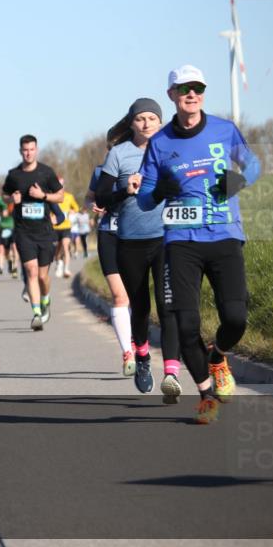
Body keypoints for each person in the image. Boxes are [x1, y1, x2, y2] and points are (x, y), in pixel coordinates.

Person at [137, 65, 260, 424]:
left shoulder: (224, 130)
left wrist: (233, 182)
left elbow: (252, 165)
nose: (192, 94)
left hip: (224, 235)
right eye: (184, 88)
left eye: (198, 88)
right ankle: (206, 395)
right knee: (186, 324)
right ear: (172, 95)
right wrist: (159, 190)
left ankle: (218, 355)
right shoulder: (159, 143)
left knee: (236, 318)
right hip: (181, 241)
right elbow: (145, 199)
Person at [97, 98, 182, 400]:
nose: (146, 123)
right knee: (141, 308)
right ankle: (143, 356)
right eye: (140, 119)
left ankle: (171, 373)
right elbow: (102, 198)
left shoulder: (171, 150)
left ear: (160, 122)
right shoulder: (119, 155)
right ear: (131, 123)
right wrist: (125, 190)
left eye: (152, 118)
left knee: (168, 305)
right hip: (130, 242)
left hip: (166, 239)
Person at [3, 135, 64, 331]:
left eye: (31, 149)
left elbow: (60, 196)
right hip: (23, 231)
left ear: (36, 150)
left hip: (45, 231)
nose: (28, 153)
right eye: (25, 150)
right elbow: (4, 197)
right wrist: (12, 199)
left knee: (42, 277)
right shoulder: (14, 175)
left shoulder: (46, 173)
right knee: (31, 271)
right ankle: (36, 313)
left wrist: (43, 195)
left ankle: (46, 299)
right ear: (20, 151)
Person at [86, 155, 133, 377]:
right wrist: (92, 205)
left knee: (135, 296)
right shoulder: (99, 172)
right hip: (108, 234)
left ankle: (139, 342)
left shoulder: (143, 166)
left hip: (136, 236)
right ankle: (127, 352)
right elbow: (90, 198)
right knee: (119, 296)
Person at [52, 178, 81, 278]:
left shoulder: (69, 197)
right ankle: (59, 263)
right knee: (57, 249)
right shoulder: (52, 197)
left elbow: (76, 207)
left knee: (65, 246)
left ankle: (66, 269)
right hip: (55, 228)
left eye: (61, 185)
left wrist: (73, 211)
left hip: (66, 226)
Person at [0, 195, 17, 278]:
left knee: (13, 248)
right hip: (1, 227)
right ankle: (1, 267)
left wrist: (10, 212)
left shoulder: (14, 199)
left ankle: (14, 267)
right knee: (1, 249)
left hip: (12, 227)